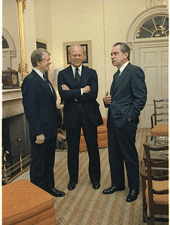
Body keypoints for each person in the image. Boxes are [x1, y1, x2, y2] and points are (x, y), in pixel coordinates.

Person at [102, 42, 147, 202]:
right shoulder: (117, 74)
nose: (112, 57)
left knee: (129, 155)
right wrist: (106, 101)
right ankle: (118, 184)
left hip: (126, 122)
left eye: (115, 54)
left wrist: (130, 116)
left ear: (125, 54)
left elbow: (141, 98)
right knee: (114, 154)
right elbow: (118, 99)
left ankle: (134, 188)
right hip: (113, 121)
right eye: (111, 54)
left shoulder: (134, 71)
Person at [58, 45, 103, 190]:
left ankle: (95, 179)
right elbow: (63, 96)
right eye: (74, 55)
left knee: (93, 148)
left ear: (83, 56)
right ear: (69, 57)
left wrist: (73, 94)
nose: (76, 58)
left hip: (89, 115)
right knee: (72, 149)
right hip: (71, 116)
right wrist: (83, 91)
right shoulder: (62, 74)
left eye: (79, 55)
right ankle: (73, 180)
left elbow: (93, 94)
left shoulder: (92, 72)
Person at [21, 48, 65, 197]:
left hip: (51, 129)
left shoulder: (44, 79)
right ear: (38, 62)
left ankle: (49, 188)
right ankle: (38, 196)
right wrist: (38, 132)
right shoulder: (30, 81)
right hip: (41, 132)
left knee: (48, 162)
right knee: (39, 165)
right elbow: (31, 110)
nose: (50, 62)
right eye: (47, 60)